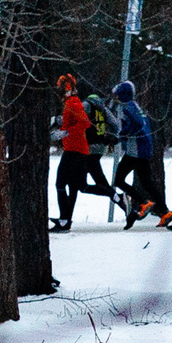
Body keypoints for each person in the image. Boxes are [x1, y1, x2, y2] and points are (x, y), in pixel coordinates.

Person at [52, 74, 114, 230]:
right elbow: (71, 122)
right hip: (74, 148)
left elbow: (85, 123)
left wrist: (64, 133)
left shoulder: (73, 102)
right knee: (78, 186)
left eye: (60, 86)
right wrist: (60, 127)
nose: (58, 89)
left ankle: (64, 220)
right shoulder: (70, 102)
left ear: (66, 87)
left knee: (62, 183)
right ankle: (65, 219)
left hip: (75, 149)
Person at [111, 80, 172, 228]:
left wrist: (124, 134)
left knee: (119, 180)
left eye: (118, 94)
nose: (116, 97)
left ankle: (144, 202)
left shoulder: (127, 107)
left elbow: (138, 124)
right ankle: (165, 212)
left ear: (122, 94)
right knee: (147, 183)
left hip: (136, 151)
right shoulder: (134, 105)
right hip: (143, 149)